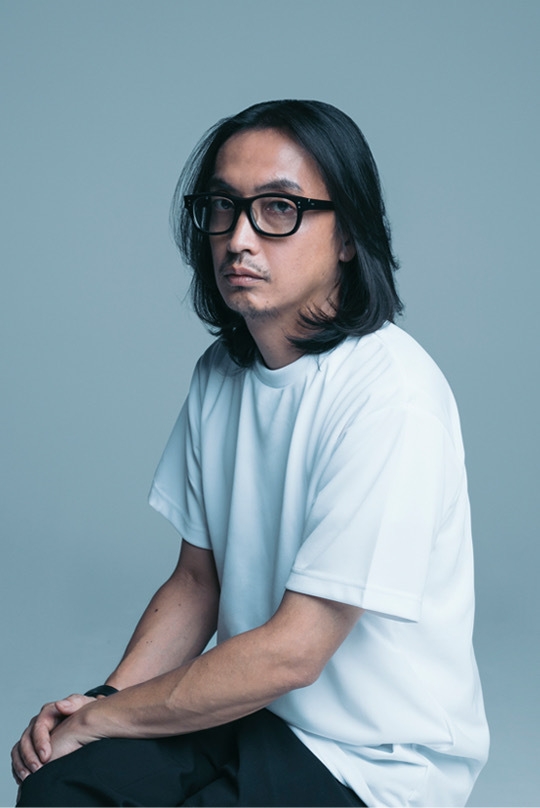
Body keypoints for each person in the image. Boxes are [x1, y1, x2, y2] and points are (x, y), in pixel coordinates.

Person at [12, 99, 489, 807]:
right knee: (63, 787)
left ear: (348, 234)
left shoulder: (391, 397)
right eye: (223, 208)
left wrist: (105, 720)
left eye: (279, 209)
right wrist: (99, 706)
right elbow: (196, 582)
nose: (239, 239)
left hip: (376, 762)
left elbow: (294, 652)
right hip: (256, 714)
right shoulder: (222, 374)